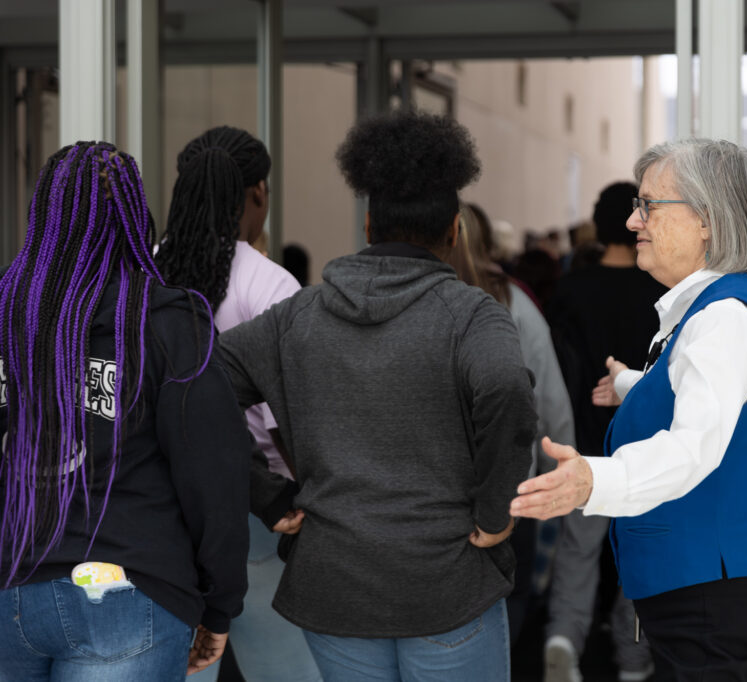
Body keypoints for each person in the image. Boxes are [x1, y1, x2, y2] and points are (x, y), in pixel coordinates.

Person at [216, 111, 536, 682]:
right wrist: (496, 510)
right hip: (448, 581)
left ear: (368, 226)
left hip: (334, 586)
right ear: (454, 232)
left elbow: (194, 391)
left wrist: (267, 496)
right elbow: (508, 390)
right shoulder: (473, 316)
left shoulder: (296, 317)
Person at [511, 138, 747, 682]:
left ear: (708, 221)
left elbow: (692, 446)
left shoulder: (723, 320)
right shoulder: (722, 308)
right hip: (712, 588)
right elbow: (704, 392)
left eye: (649, 205)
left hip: (713, 594)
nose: (631, 221)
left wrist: (589, 482)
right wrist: (630, 384)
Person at [0, 142, 251, 680]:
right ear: (136, 221)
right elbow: (215, 475)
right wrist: (218, 603)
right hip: (129, 589)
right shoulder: (166, 324)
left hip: (11, 581)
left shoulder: (6, 317)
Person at [154, 126, 320, 682]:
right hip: (257, 515)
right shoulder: (271, 285)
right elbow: (290, 424)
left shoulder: (144, 270)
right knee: (286, 670)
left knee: (185, 667)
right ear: (258, 193)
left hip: (159, 505)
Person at [543, 181, 666, 682]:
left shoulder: (569, 289)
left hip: (583, 442)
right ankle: (633, 658)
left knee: (578, 551)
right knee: (640, 554)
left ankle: (562, 638)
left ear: (597, 222)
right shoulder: (660, 290)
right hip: (647, 448)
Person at [449, 201, 576, 646]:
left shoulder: (414, 304)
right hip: (510, 495)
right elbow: (552, 404)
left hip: (427, 498)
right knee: (506, 605)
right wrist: (558, 475)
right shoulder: (513, 302)